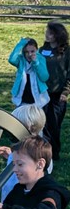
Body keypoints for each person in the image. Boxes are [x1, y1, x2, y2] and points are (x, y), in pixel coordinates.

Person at [0, 104, 51, 202]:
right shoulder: (20, 149)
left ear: (30, 127)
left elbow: (44, 169)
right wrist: (10, 155)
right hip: (9, 195)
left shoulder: (39, 151)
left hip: (23, 199)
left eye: (16, 125)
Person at [39, 20, 70, 160]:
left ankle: (54, 152)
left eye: (50, 33)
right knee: (43, 123)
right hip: (43, 92)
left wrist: (66, 91)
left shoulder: (66, 51)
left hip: (58, 94)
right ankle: (45, 152)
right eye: (46, 31)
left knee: (54, 123)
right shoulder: (41, 49)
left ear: (58, 35)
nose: (47, 35)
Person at [8, 37, 49, 108]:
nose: (29, 54)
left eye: (32, 51)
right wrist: (20, 44)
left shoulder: (41, 59)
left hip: (38, 99)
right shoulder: (21, 59)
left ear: (37, 50)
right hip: (22, 97)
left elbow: (44, 77)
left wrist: (36, 63)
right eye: (26, 52)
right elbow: (12, 59)